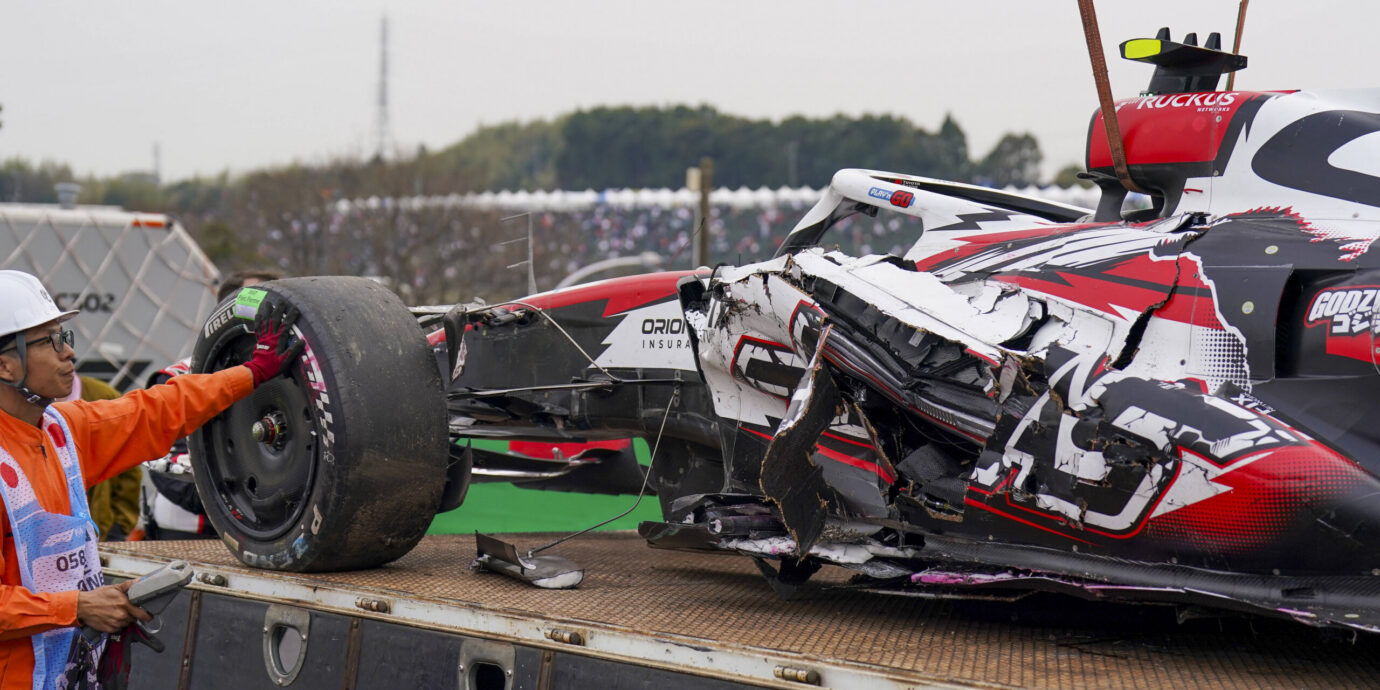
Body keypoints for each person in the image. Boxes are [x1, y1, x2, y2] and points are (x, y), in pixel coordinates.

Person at [0, 269, 302, 689]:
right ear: (5, 363)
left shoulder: (61, 429)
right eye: (50, 341)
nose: (68, 353)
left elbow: (158, 410)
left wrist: (251, 372)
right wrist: (78, 607)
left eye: (64, 337)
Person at [139, 269, 282, 540]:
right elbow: (170, 472)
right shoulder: (175, 378)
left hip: (269, 534)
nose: (269, 315)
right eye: (259, 304)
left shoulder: (300, 384)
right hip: (188, 535)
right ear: (226, 315)